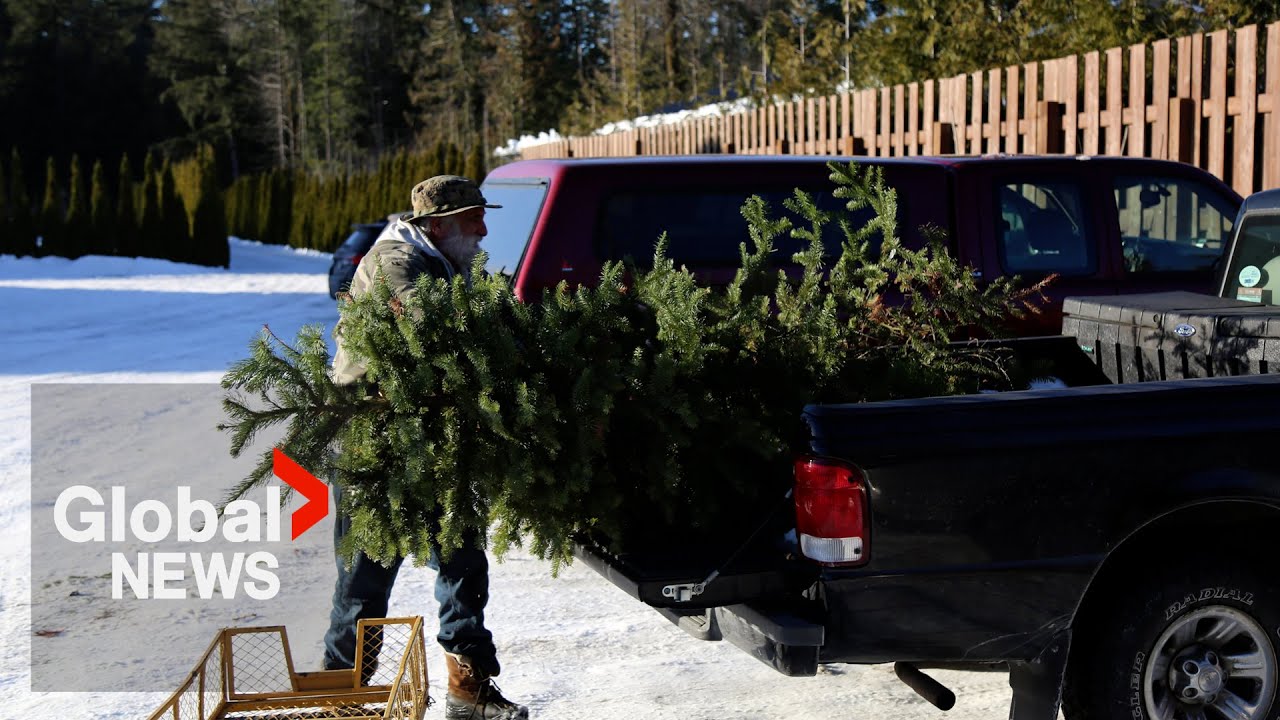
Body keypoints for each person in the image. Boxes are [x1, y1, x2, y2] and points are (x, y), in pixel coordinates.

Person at [326, 175, 529, 720]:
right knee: (365, 577)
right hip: (375, 442)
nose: (484, 231)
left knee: (463, 560)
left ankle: (469, 690)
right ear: (437, 226)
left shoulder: (450, 262)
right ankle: (341, 696)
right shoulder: (397, 262)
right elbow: (431, 327)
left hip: (435, 434)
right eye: (473, 220)